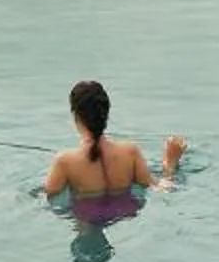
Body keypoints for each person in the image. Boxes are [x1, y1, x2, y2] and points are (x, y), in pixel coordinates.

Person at [42, 79, 183, 228]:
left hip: (86, 216)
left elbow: (48, 196)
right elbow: (161, 188)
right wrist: (170, 163)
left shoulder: (65, 161)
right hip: (126, 210)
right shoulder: (130, 152)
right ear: (106, 115)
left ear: (76, 117)